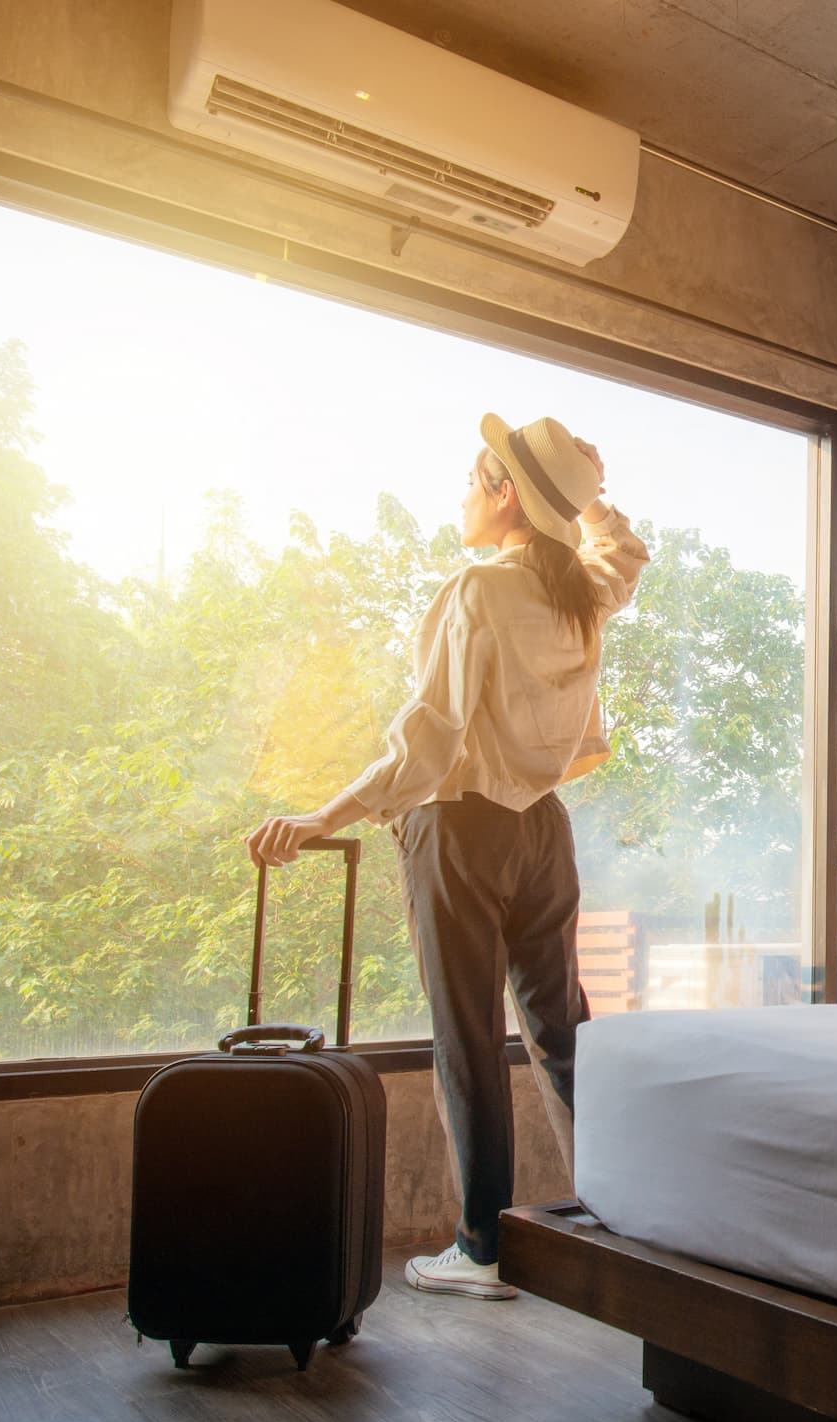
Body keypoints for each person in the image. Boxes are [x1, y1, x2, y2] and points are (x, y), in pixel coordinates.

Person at [247, 413, 647, 1301]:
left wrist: (321, 816)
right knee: (561, 1034)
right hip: (545, 833)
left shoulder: (477, 592)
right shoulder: (582, 591)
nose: (462, 498)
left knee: (468, 1038)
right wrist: (587, 495)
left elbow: (426, 744)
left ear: (505, 496)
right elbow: (624, 551)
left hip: (460, 830)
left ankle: (482, 1248)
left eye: (475, 482)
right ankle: (627, 1219)